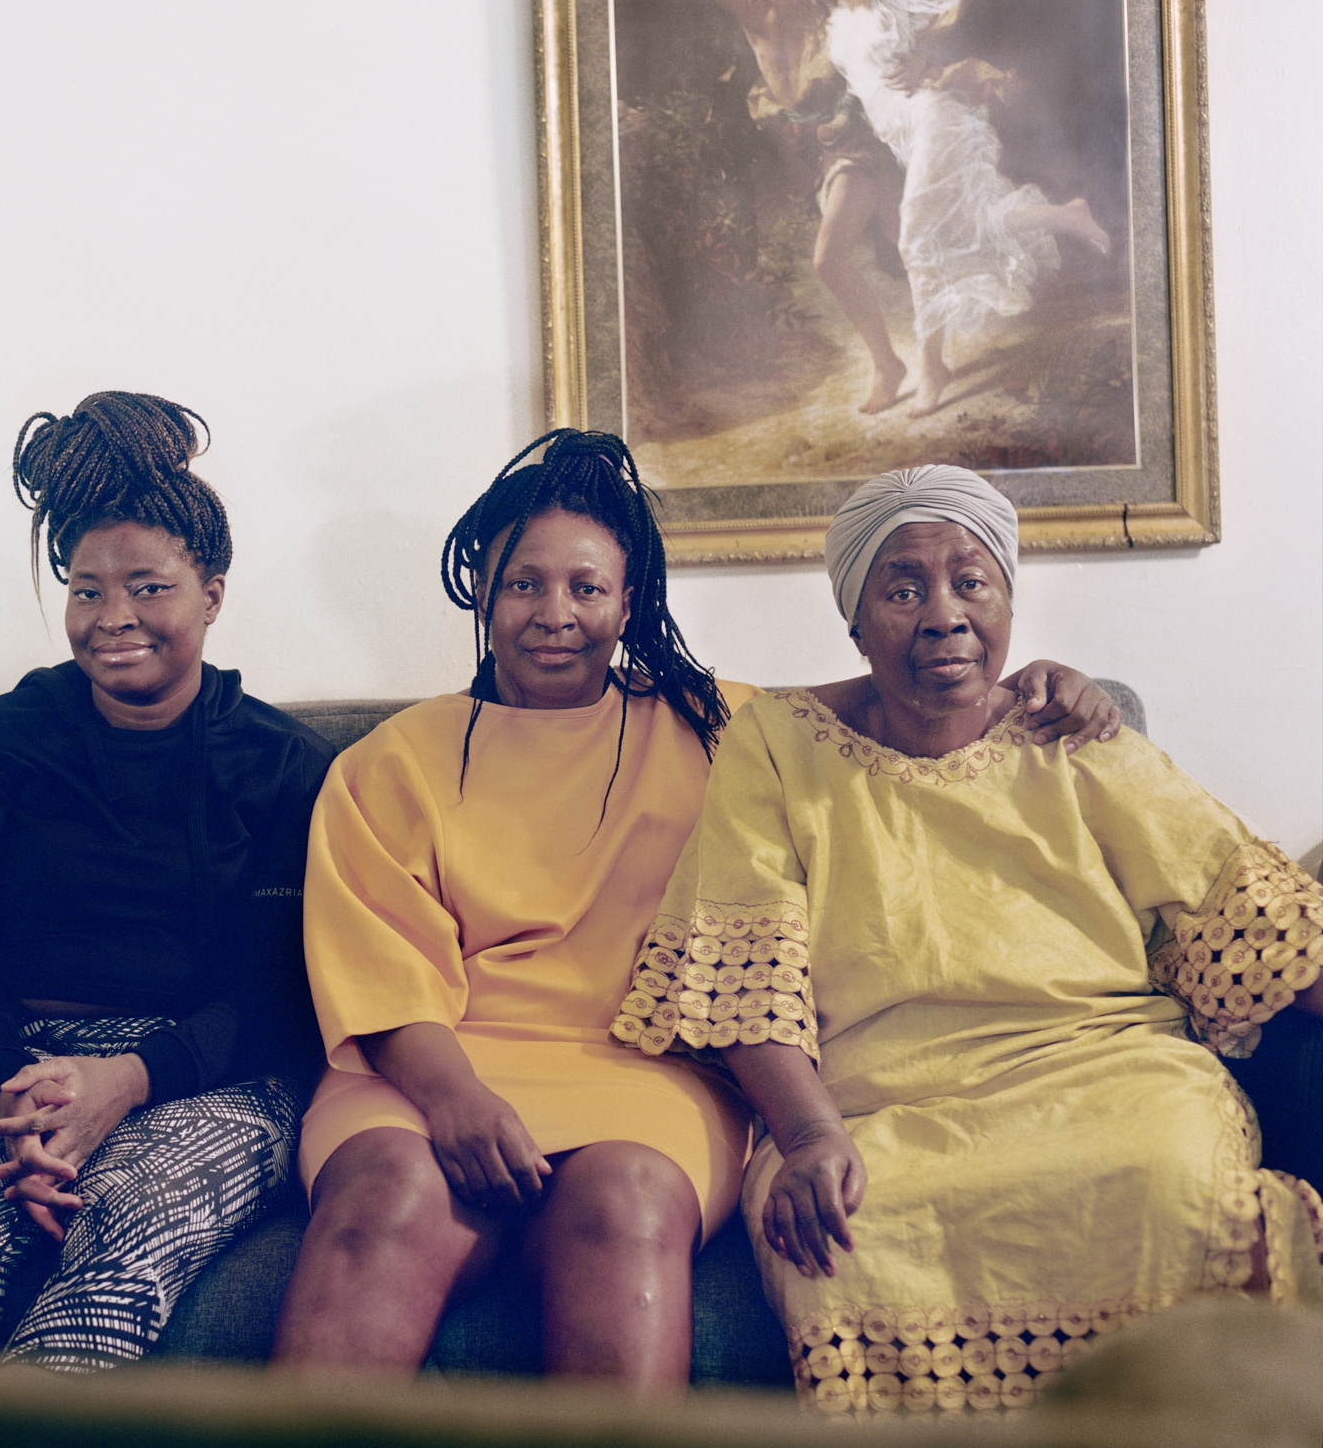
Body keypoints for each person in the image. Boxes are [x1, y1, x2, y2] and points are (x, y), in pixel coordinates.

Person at [274, 431, 1117, 1394]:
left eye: (587, 588)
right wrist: (456, 1101)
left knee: (624, 1203)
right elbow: (377, 971)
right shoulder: (388, 762)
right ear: (483, 593)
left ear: (627, 602)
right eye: (524, 586)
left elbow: (894, 702)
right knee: (384, 1196)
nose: (556, 615)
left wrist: (1032, 686)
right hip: (432, 1067)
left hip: (645, 1069)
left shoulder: (717, 725)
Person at [613, 464, 1323, 1415]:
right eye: (903, 589)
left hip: (1107, 1075)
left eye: (971, 582)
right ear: (855, 621)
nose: (944, 615)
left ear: (1008, 601)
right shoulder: (776, 742)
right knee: (848, 1234)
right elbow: (748, 969)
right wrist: (811, 1134)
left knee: (1169, 1177)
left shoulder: (1071, 728)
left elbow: (1239, 900)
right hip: (875, 1105)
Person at [0, 392, 335, 1371]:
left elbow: (280, 996)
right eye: (86, 590)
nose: (112, 618)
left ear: (211, 588)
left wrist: (123, 1081)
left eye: (147, 586)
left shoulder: (282, 765)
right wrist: (22, 1094)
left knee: (120, 1241)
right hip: (0, 1055)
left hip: (203, 1072)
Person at [803, 0, 1111, 416]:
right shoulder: (833, 33)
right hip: (901, 134)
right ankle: (1066, 214)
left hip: (934, 117)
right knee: (962, 223)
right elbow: (862, 91)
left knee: (916, 240)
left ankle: (931, 370)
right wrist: (833, 122)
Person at [674, 0, 908, 413]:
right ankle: (910, 357)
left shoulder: (828, 8)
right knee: (912, 241)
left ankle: (888, 365)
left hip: (862, 144)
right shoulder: (750, 11)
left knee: (833, 260)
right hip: (825, 157)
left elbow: (879, 40)